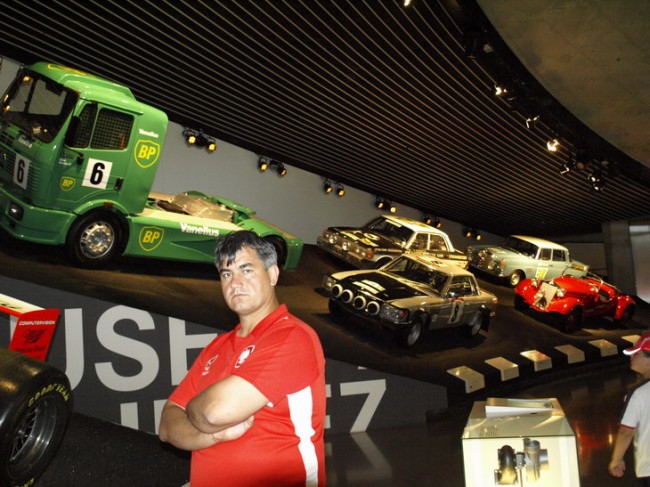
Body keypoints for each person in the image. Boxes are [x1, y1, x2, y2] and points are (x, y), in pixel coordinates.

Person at [159, 230, 326, 486]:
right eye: (227, 274)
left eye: (246, 270)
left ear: (273, 274)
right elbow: (167, 426)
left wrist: (192, 408)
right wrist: (214, 436)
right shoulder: (217, 346)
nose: (235, 283)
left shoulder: (294, 336)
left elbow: (215, 412)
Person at [608, 333, 650, 485]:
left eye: (636, 354)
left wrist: (616, 459)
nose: (631, 357)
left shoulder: (638, 394)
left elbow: (626, 431)